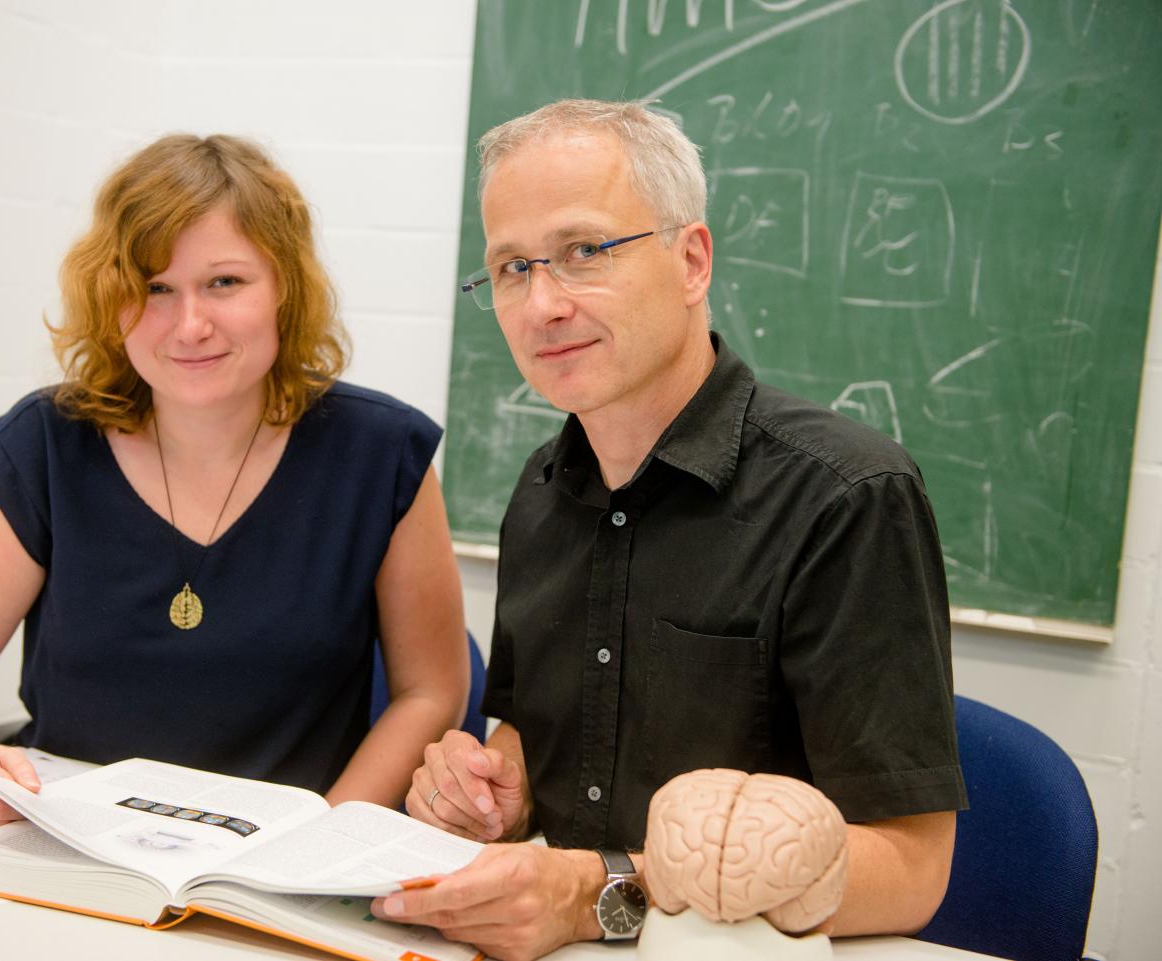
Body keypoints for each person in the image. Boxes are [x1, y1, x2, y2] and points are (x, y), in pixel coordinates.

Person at [374, 100, 967, 960]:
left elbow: (915, 870)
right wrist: (497, 793)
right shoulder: (540, 488)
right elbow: (534, 747)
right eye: (510, 267)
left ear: (691, 261)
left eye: (583, 252)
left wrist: (597, 893)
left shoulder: (847, 497)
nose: (541, 304)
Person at [0, 134, 469, 838]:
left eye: (225, 282)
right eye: (154, 288)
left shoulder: (383, 454)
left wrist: (324, 834)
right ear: (112, 299)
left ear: (285, 288)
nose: (190, 325)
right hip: (72, 853)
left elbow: (430, 692)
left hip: (279, 871)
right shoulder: (43, 445)